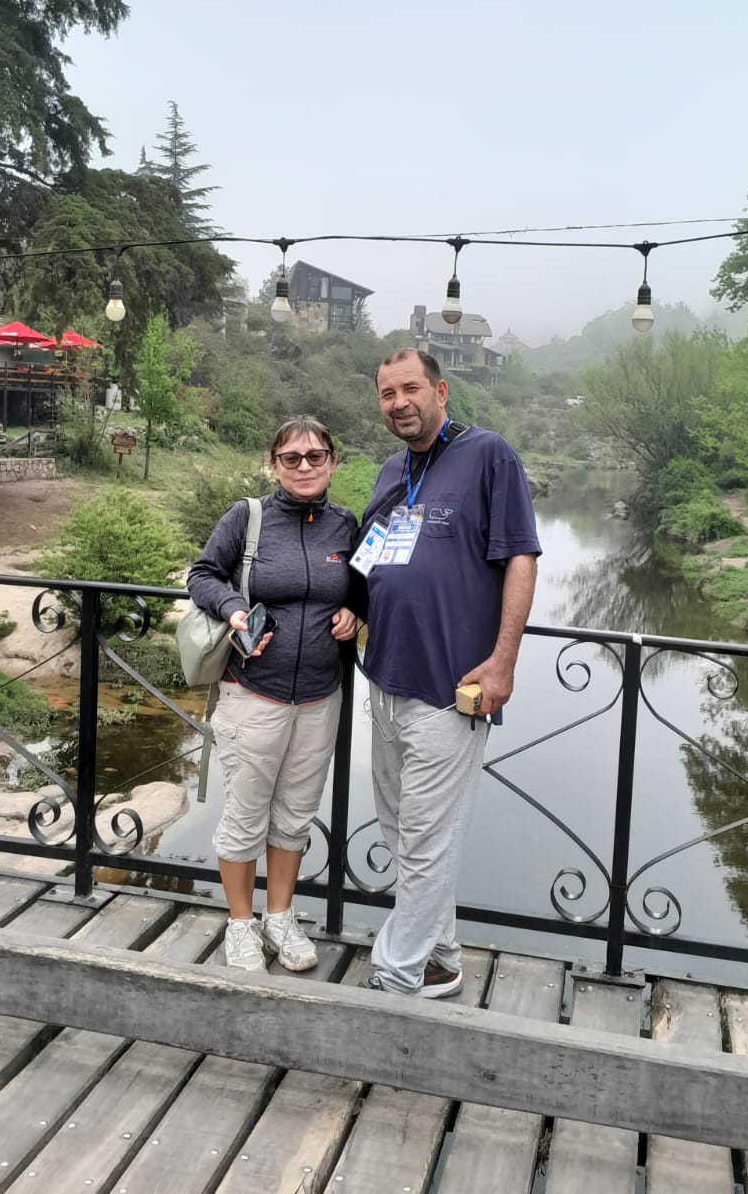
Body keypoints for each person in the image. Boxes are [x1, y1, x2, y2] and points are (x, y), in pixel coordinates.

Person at [357, 349, 540, 996]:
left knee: (427, 841)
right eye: (386, 394)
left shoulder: (489, 456)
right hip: (383, 679)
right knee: (400, 831)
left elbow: (520, 557)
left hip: (450, 687)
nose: (399, 402)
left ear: (439, 389)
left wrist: (504, 661)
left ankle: (397, 976)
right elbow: (367, 566)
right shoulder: (389, 471)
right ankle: (440, 956)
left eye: (410, 388)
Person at [187, 415, 358, 974]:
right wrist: (233, 609)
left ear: (333, 461)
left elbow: (360, 588)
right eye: (292, 458)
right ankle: (241, 923)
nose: (304, 466)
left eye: (315, 456)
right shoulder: (248, 517)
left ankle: (280, 917)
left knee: (294, 818)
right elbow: (203, 574)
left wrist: (356, 613)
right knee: (245, 815)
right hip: (251, 694)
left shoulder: (345, 524)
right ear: (273, 464)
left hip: (318, 698)